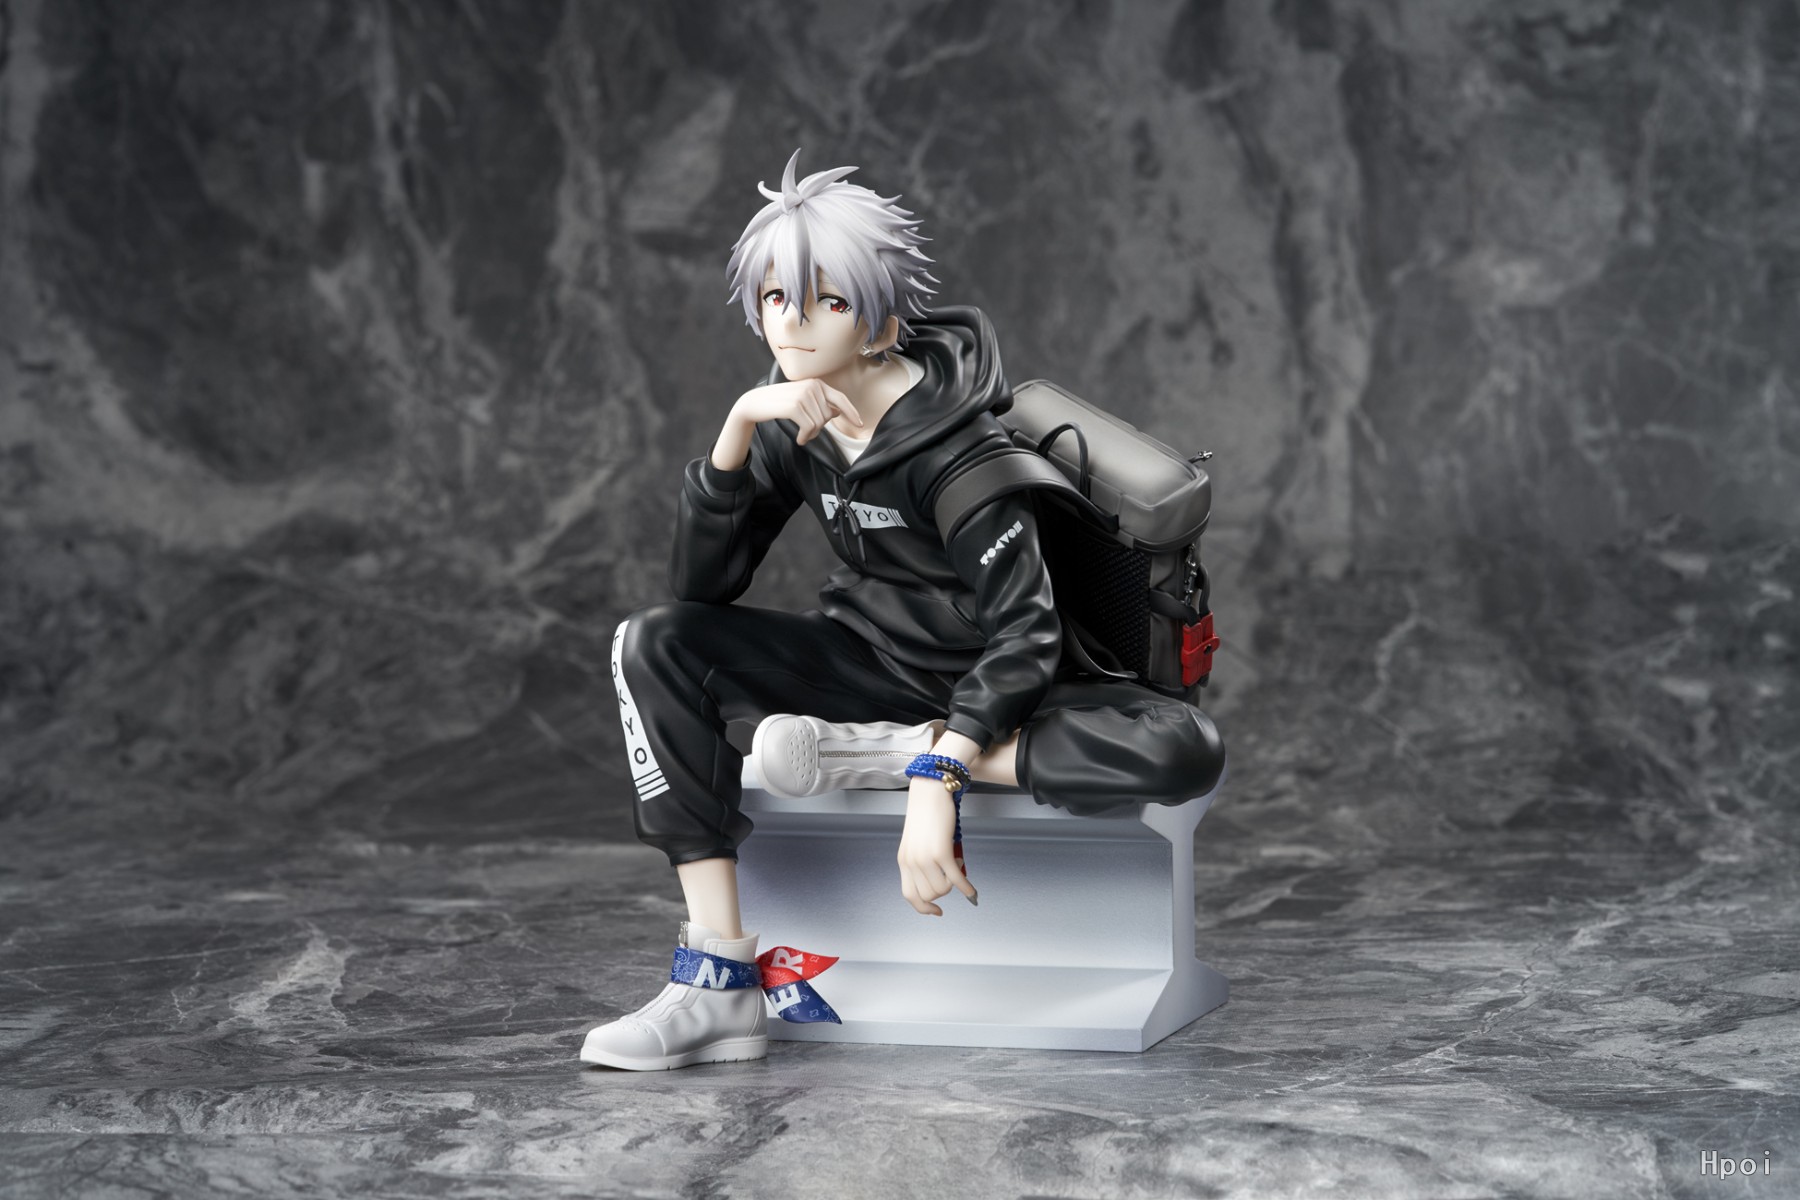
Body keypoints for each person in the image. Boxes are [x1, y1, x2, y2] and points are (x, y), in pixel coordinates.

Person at [581, 150, 1225, 1070]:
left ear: (880, 320)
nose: (792, 321)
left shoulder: (961, 456)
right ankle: (717, 982)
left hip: (1005, 690)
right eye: (775, 297)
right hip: (867, 663)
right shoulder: (797, 423)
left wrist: (940, 772)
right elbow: (703, 588)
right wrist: (737, 431)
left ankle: (890, 752)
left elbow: (1026, 633)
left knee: (1183, 747)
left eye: (826, 301)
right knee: (654, 642)